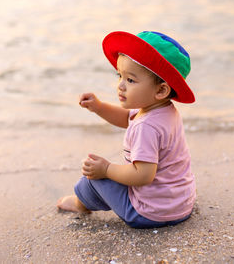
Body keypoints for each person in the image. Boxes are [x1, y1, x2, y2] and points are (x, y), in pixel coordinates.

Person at [57, 31, 196, 228]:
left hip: (148, 213)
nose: (120, 86)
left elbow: (142, 176)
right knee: (112, 175)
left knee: (93, 178)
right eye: (119, 76)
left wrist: (106, 169)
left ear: (161, 90)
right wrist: (99, 107)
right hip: (179, 205)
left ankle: (81, 203)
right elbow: (126, 118)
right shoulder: (164, 112)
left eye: (130, 80)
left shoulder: (146, 126)